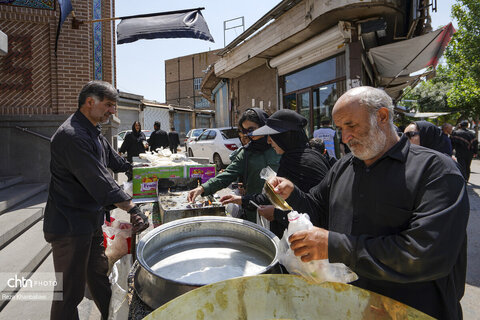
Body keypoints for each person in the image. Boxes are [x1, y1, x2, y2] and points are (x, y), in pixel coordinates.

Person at [269, 86, 468, 320]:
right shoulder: (344, 167)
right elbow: (318, 210)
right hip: (350, 307)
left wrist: (334, 245)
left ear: (382, 116)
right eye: (340, 129)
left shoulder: (436, 171)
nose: (345, 138)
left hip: (413, 311)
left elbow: (425, 255)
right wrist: (293, 193)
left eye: (351, 126)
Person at [43, 80, 149, 320]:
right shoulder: (72, 135)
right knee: (69, 293)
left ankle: (113, 317)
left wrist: (144, 169)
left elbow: (115, 162)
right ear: (90, 102)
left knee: (99, 276)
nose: (113, 111)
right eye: (109, 105)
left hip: (88, 221)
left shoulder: (93, 131)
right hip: (69, 226)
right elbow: (100, 181)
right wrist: (132, 208)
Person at [221, 109, 329, 237]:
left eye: (272, 136)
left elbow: (314, 211)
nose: (268, 141)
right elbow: (275, 197)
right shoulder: (301, 156)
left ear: (285, 137)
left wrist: (277, 214)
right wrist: (241, 199)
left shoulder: (300, 162)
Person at [188, 108, 281, 222]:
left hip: (281, 211)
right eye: (245, 131)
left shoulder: (279, 146)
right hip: (255, 210)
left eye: (251, 129)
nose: (248, 134)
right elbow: (228, 174)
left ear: (263, 125)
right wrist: (202, 188)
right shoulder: (246, 152)